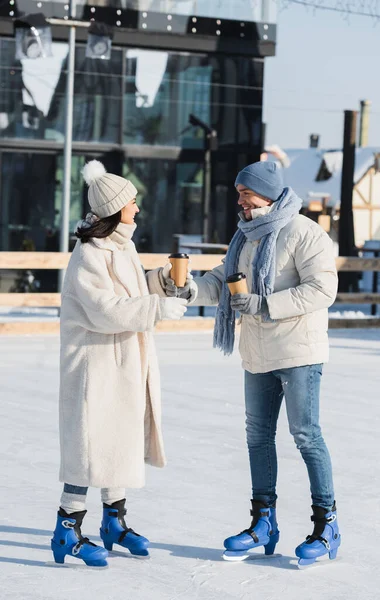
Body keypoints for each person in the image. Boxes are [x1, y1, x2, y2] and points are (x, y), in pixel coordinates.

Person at [163, 161, 341, 567]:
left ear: (269, 193)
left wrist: (265, 304)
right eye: (238, 191)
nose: (239, 199)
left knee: (306, 434)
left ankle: (326, 525)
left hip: (299, 352)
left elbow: (322, 288)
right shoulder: (244, 239)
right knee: (257, 437)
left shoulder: (304, 233)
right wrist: (189, 289)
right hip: (258, 353)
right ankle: (264, 523)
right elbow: (221, 281)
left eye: (247, 192)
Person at [51, 160, 188, 568]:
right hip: (94, 365)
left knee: (118, 440)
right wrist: (157, 308)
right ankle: (67, 529)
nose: (138, 208)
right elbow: (104, 308)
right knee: (89, 444)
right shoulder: (89, 253)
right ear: (115, 207)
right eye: (132, 201)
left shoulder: (121, 245)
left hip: (123, 360)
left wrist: (159, 281)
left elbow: (129, 288)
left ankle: (114, 522)